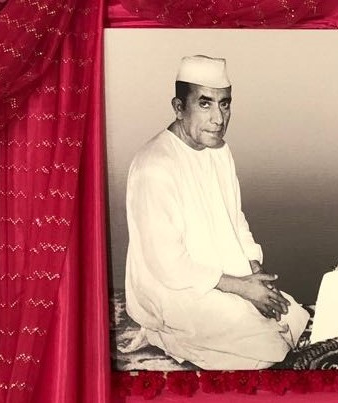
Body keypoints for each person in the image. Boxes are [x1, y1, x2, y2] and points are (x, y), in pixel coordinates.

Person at [123, 55, 310, 370]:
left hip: (223, 274)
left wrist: (255, 273)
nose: (218, 119)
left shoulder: (219, 151)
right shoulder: (154, 165)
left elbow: (236, 219)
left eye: (225, 104)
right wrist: (243, 288)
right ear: (179, 107)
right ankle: (161, 333)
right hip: (172, 287)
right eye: (205, 104)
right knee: (266, 346)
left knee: (290, 316)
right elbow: (167, 265)